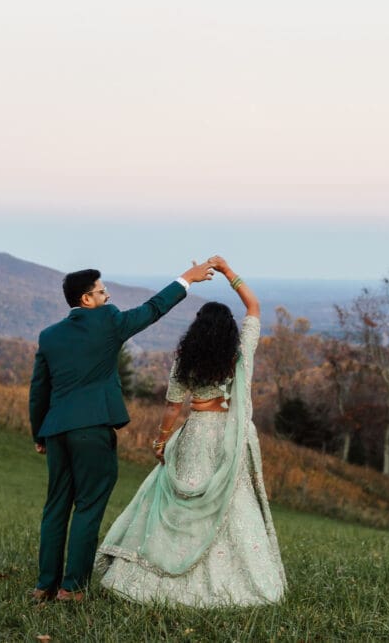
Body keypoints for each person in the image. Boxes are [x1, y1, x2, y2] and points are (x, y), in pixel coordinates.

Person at [95, 256, 287, 607]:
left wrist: (162, 440)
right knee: (230, 501)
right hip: (228, 436)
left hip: (196, 433)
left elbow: (173, 406)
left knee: (184, 502)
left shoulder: (186, 358)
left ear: (197, 331)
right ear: (230, 330)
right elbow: (254, 305)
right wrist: (228, 272)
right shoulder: (240, 352)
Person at [29, 262, 215, 603]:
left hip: (56, 431)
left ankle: (44, 586)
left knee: (55, 507)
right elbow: (153, 309)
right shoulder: (109, 321)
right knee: (87, 506)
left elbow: (39, 390)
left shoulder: (50, 335)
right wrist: (186, 279)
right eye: (102, 290)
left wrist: (39, 435)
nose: (108, 294)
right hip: (92, 430)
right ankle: (72, 589)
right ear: (87, 299)